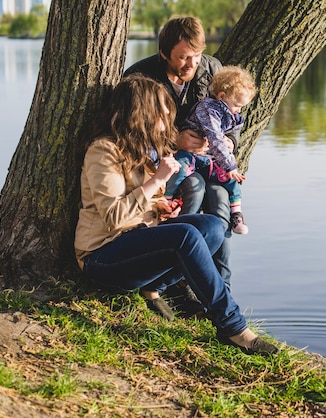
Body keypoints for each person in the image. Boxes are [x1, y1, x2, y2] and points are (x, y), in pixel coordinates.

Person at [74, 74, 278, 355]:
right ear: (141, 115)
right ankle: (233, 327)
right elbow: (114, 217)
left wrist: (163, 208)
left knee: (212, 227)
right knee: (186, 236)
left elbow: (147, 203)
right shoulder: (103, 151)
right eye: (162, 115)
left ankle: (153, 287)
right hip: (102, 257)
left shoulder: (144, 149)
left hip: (137, 243)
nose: (167, 123)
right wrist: (157, 181)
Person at [124, 15, 235, 289]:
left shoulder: (213, 68)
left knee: (221, 204)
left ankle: (221, 288)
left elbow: (231, 114)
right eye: (184, 57)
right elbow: (132, 132)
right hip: (167, 165)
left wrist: (230, 141)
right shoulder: (140, 77)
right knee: (194, 188)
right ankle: (178, 281)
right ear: (164, 53)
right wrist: (175, 140)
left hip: (209, 162)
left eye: (197, 55)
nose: (192, 64)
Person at [165, 65, 256, 235]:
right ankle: (167, 201)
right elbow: (214, 137)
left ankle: (236, 213)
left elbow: (226, 136)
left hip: (208, 157)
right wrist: (230, 165)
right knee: (179, 171)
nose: (239, 110)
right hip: (190, 153)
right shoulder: (208, 108)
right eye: (237, 105)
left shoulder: (230, 112)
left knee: (231, 180)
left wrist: (230, 144)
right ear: (221, 96)